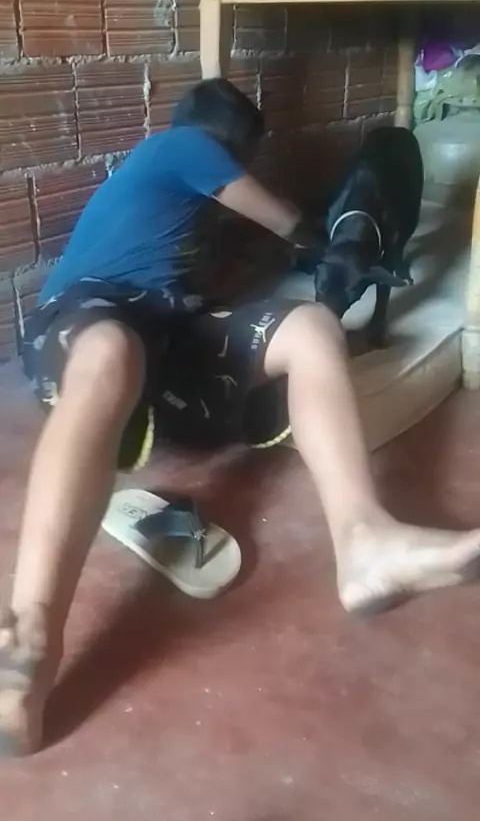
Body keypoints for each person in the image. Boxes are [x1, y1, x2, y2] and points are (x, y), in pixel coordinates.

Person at [1, 78, 479, 757]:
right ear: (228, 143)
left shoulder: (174, 210)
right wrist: (328, 240)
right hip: (85, 318)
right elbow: (285, 222)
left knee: (310, 327)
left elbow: (213, 290)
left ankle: (366, 541)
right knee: (110, 349)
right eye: (245, 157)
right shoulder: (180, 146)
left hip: (167, 334)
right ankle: (28, 639)